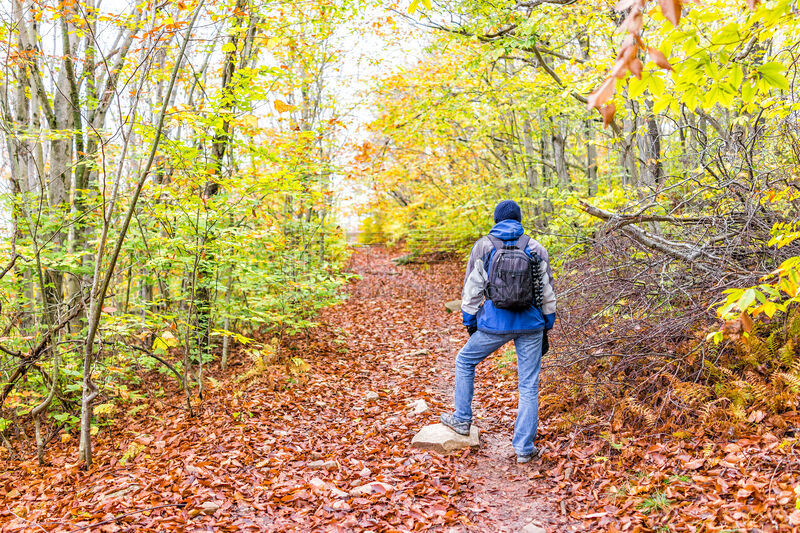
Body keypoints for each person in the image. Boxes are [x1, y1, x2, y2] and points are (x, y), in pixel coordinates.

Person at [440, 200, 556, 464]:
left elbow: (472, 290)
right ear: (519, 219)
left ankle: (461, 418)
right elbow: (547, 292)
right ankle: (524, 449)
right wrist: (547, 323)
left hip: (495, 323)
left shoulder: (484, 246)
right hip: (531, 324)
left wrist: (469, 321)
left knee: (465, 360)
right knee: (528, 386)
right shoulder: (535, 247)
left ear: (497, 220)